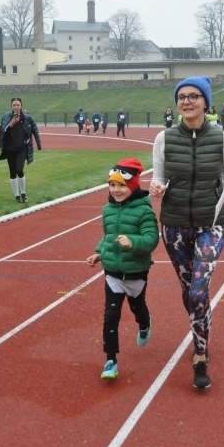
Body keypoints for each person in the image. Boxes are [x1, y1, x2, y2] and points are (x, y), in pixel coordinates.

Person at [149, 76, 224, 389]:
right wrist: (156, 187)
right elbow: (158, 176)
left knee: (199, 290)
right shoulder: (164, 139)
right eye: (182, 97)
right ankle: (202, 323)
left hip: (210, 223)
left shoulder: (221, 138)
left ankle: (200, 355)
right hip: (173, 227)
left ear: (206, 102)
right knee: (191, 293)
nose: (187, 102)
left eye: (194, 96)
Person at [86, 158, 159, 380]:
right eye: (112, 185)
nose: (116, 190)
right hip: (113, 272)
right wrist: (99, 253)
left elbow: (152, 239)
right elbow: (107, 236)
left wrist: (133, 243)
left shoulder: (144, 211)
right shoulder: (107, 210)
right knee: (111, 315)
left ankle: (145, 324)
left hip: (136, 270)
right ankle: (110, 360)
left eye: (121, 185)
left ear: (133, 185)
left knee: (138, 308)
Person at [0, 97, 42, 203]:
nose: (16, 107)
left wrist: (39, 144)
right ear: (11, 107)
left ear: (21, 106)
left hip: (22, 148)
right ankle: (16, 195)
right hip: (9, 149)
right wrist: (11, 124)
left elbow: (35, 130)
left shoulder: (27, 118)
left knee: (19, 169)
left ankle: (23, 192)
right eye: (14, 105)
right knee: (12, 172)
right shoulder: (6, 117)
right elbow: (2, 131)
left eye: (18, 105)